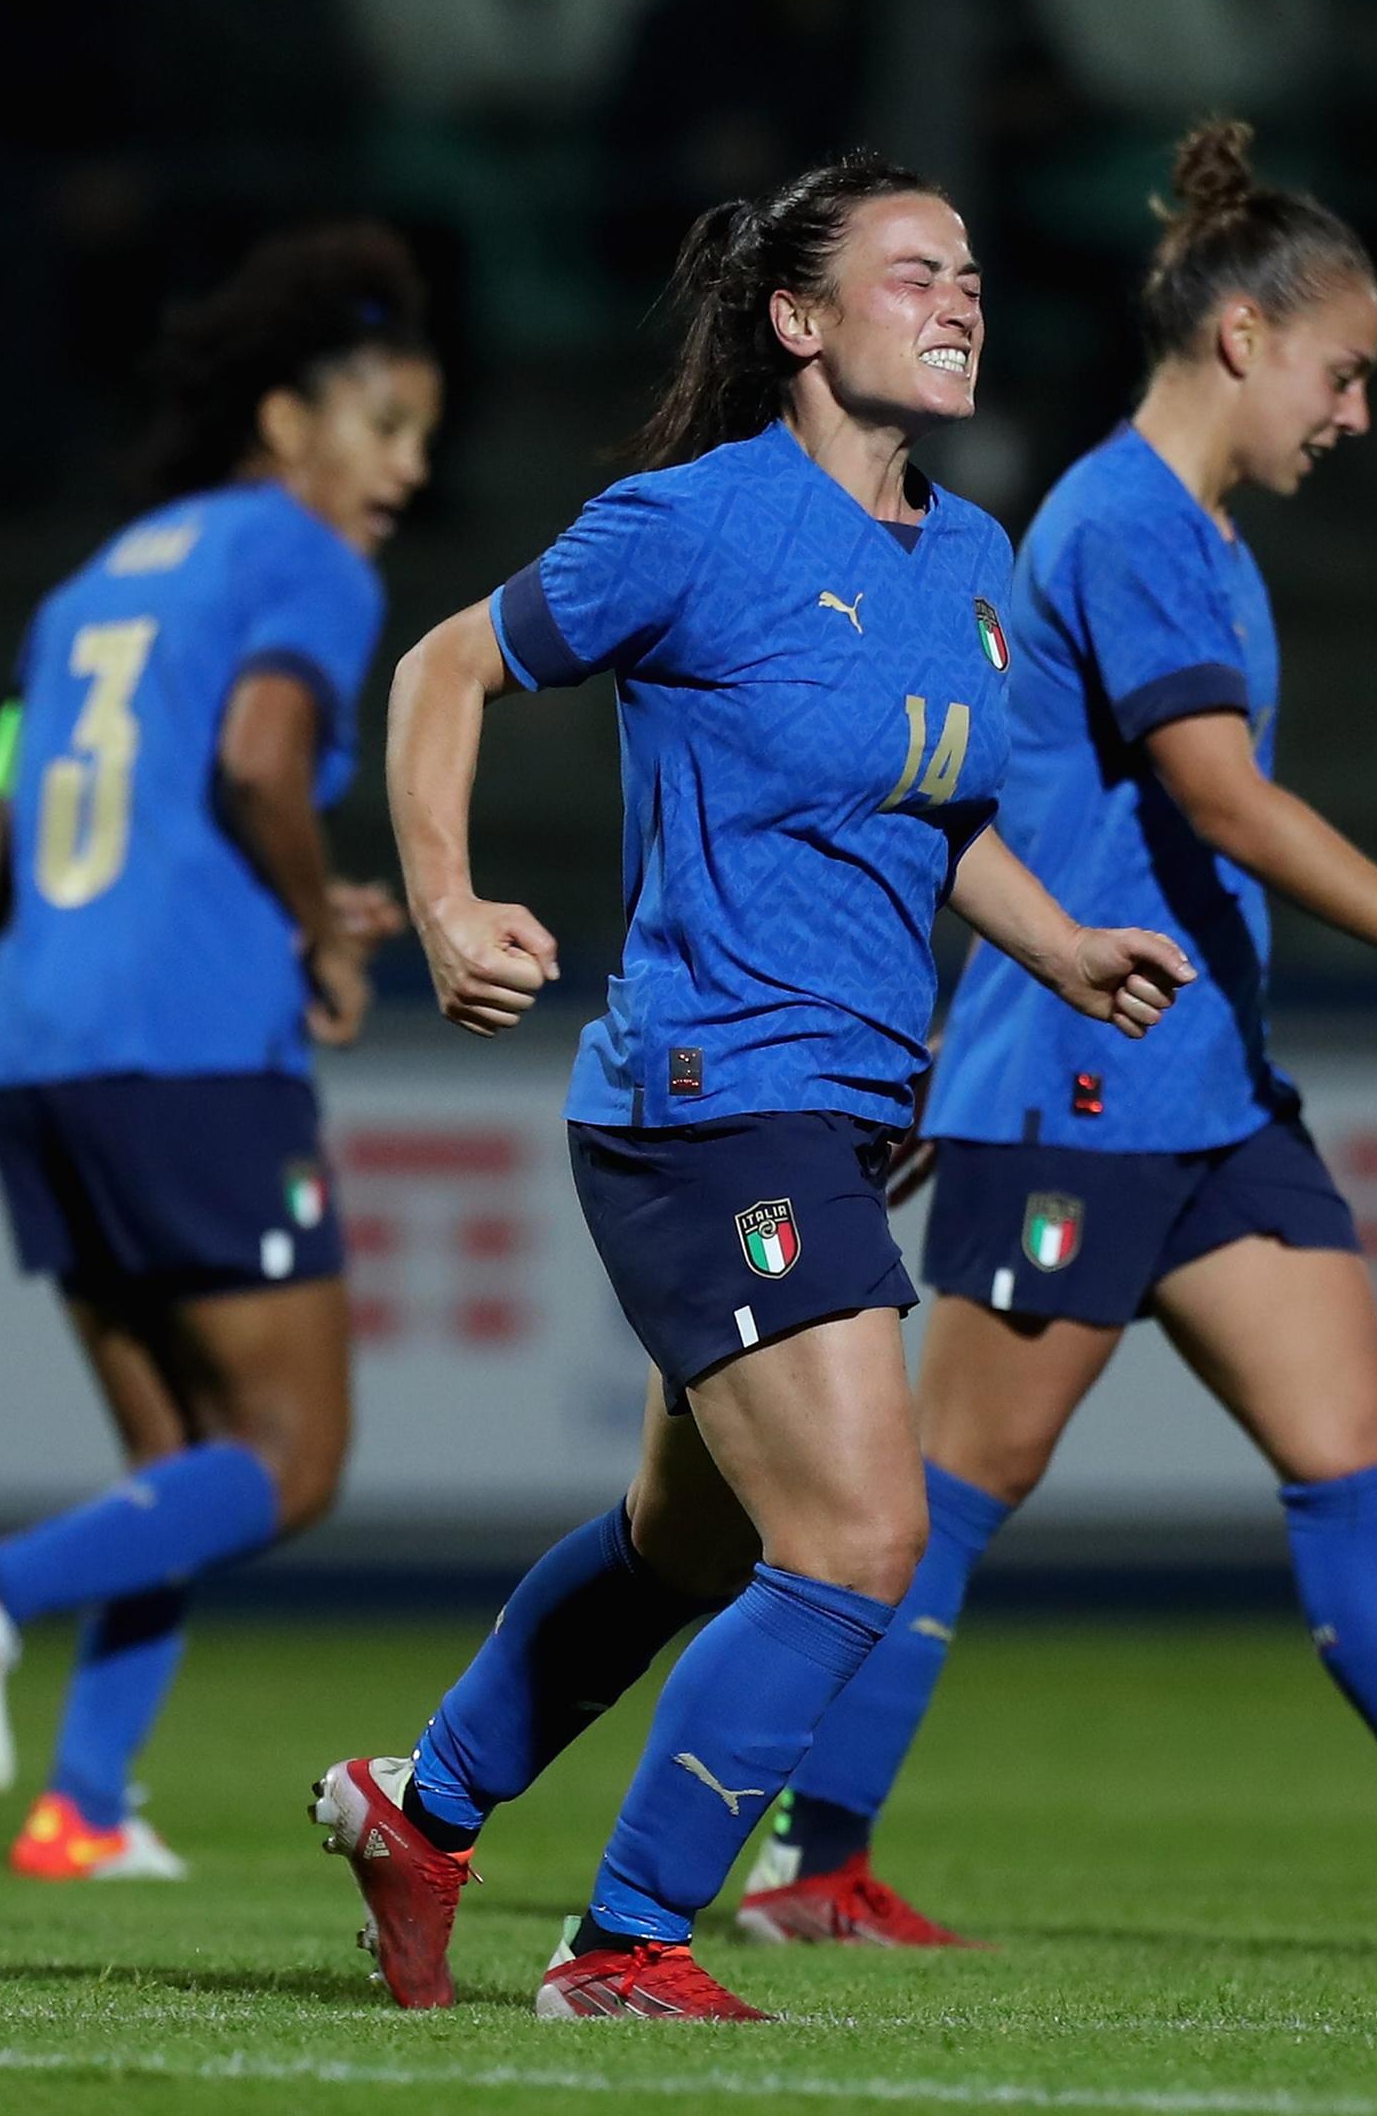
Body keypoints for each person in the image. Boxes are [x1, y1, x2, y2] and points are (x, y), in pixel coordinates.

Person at [734, 120, 1377, 1958]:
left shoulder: (1186, 538)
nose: (1354, 417)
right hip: (1082, 1084)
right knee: (948, 1490)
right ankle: (804, 1862)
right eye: (1343, 374)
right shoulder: (1118, 522)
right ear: (1244, 339)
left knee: (1354, 1441)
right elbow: (1225, 803)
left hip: (1203, 1089)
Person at [310, 154, 1195, 2020]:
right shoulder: (689, 526)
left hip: (838, 1120)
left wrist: (1058, 946)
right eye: (909, 274)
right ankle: (628, 1942)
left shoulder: (970, 560)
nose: (959, 298)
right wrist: (451, 899)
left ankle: (423, 1802)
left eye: (969, 270)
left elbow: (936, 816)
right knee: (862, 1538)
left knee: (683, 1547)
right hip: (710, 1103)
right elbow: (438, 674)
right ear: (799, 321)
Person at [0, 226, 440, 1882]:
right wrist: (318, 931)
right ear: (286, 425)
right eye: (384, 426)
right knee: (294, 1461)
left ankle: (89, 1805)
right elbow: (266, 760)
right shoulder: (310, 566)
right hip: (185, 1045)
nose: (405, 467)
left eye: (420, 434)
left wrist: (218, 916)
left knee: (176, 1467)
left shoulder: (86, 588)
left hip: (34, 1041)